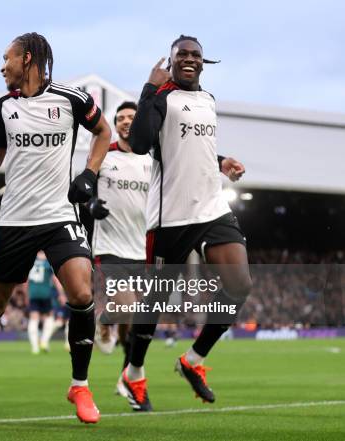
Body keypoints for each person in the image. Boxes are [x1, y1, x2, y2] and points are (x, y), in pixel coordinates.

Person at [0, 32, 111, 424]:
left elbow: (104, 133)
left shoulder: (72, 99)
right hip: (15, 219)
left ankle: (80, 385)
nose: (2, 66)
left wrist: (89, 173)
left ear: (27, 59)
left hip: (59, 216)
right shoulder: (5, 107)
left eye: (7, 59)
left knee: (83, 293)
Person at [125, 35, 252, 408]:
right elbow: (140, 142)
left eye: (195, 55)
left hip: (212, 208)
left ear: (203, 62)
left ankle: (193, 360)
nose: (189, 59)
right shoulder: (162, 97)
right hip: (172, 216)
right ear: (171, 60)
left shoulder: (208, 101)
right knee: (156, 302)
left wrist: (222, 160)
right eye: (182, 54)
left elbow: (196, 150)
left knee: (239, 285)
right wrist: (149, 87)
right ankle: (133, 372)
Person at [86, 101, 152, 409]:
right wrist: (90, 206)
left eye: (131, 117)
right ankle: (105, 318)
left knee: (133, 326)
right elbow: (80, 189)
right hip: (109, 249)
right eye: (120, 118)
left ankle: (125, 375)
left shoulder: (152, 160)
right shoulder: (105, 153)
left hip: (142, 250)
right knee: (135, 311)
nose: (125, 121)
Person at [26, 251, 59, 354]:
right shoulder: (48, 263)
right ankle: (44, 341)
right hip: (45, 293)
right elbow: (55, 279)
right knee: (49, 316)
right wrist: (61, 293)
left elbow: (25, 280)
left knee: (33, 318)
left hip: (33, 294)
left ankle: (34, 347)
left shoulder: (30, 262)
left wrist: (27, 294)